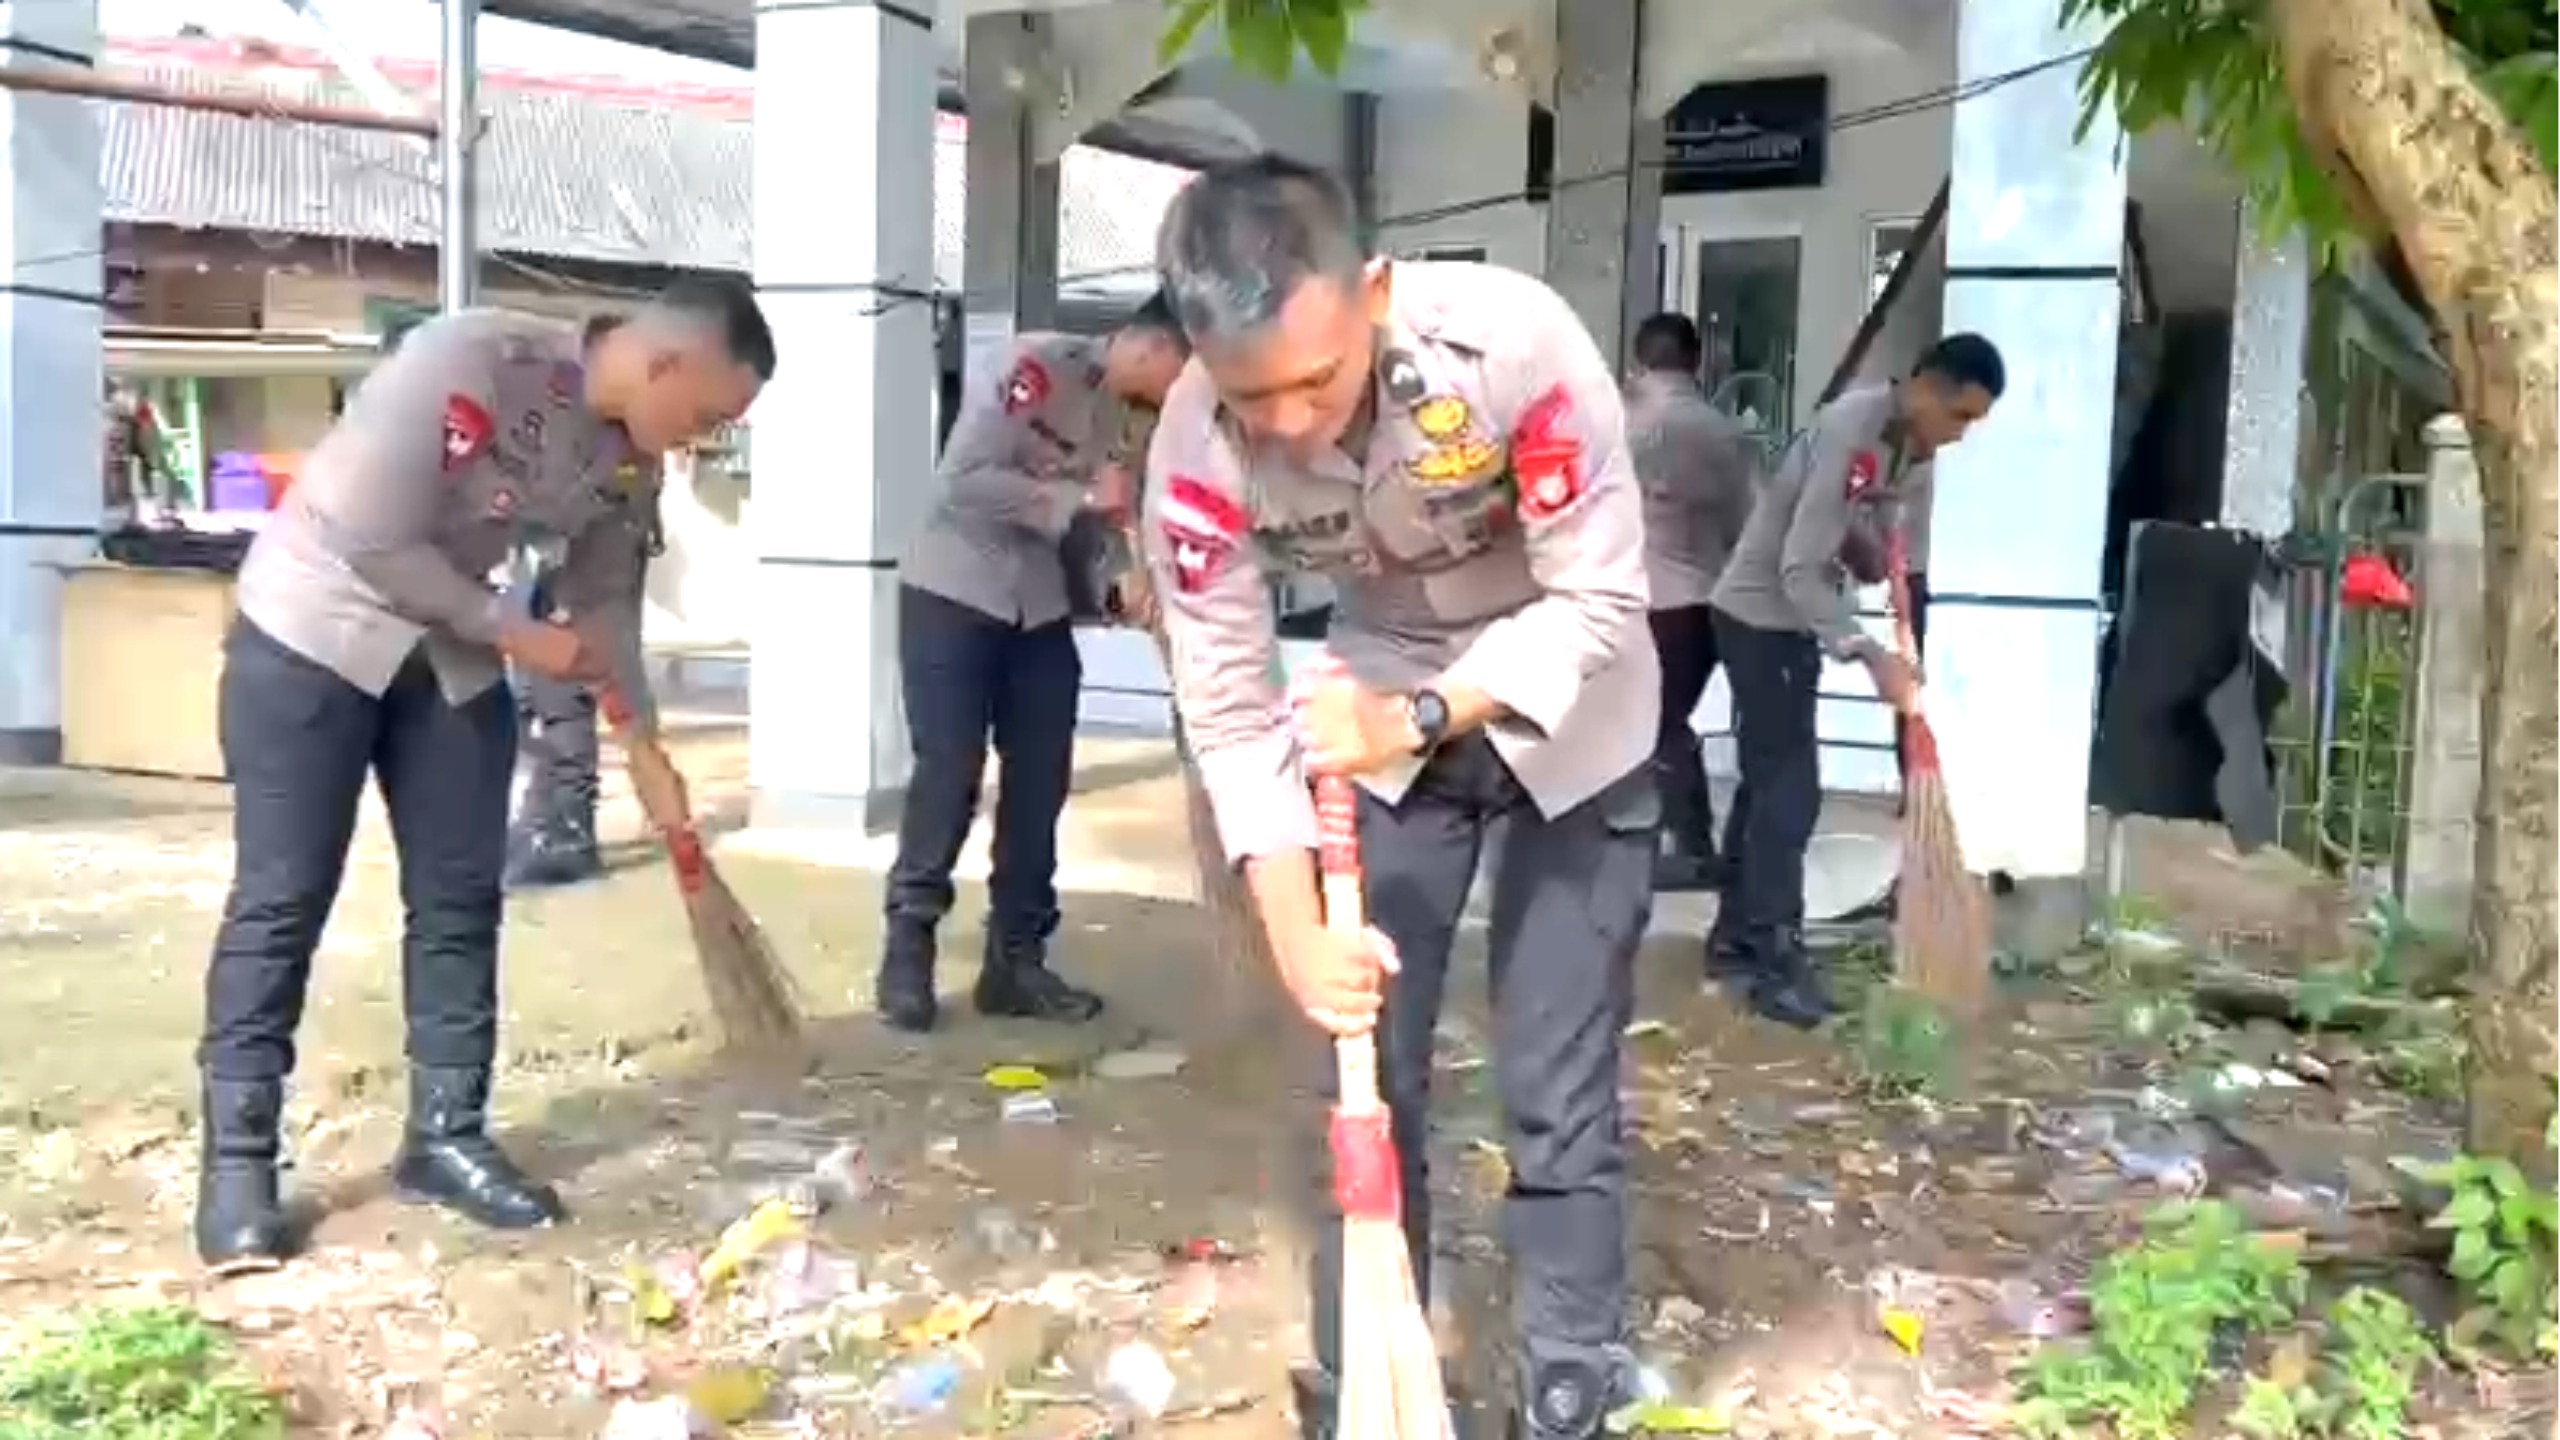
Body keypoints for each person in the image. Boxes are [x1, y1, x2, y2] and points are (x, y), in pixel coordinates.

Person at [1146, 154, 1656, 1440]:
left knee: (1557, 1076)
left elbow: (1598, 595)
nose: (1290, 426)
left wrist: (1419, 714)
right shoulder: (1195, 443)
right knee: (1361, 1070)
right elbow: (1224, 701)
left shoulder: (1514, 343)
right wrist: (1292, 929)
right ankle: (1367, 1379)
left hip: (1570, 713)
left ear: (1371, 291)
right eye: (1252, 396)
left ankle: (1570, 1372)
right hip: (1379, 716)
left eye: (1316, 381)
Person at [194, 280, 774, 1275]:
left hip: (447, 665)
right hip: (311, 636)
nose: (700, 440)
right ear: (662, 362)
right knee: (283, 899)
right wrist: (514, 632)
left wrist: (643, 745)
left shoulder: (629, 458)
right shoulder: (472, 359)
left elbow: (600, 601)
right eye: (708, 415)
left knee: (461, 898)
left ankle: (446, 1136)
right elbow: (368, 539)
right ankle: (238, 1174)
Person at [874, 293, 1192, 1033]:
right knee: (949, 773)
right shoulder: (1034, 365)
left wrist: (1118, 582)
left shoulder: (1139, 420)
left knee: (1041, 780)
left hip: (1039, 607)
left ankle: (1015, 960)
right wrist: (1081, 494)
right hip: (953, 591)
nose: (1185, 389)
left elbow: (1105, 528)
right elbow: (966, 483)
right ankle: (907, 951)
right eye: (1185, 367)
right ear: (1151, 346)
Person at [1704, 334, 2004, 1029]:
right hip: (1759, 615)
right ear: (1925, 386)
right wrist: (1869, 653)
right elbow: (1796, 568)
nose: (1958, 436)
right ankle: (1776, 962)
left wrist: (1871, 553)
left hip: (1792, 622)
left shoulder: (1912, 450)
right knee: (1791, 792)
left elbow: (1862, 551)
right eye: (1958, 416)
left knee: (1765, 787)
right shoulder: (1852, 425)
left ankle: (1734, 943)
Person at [503, 313, 657, 891]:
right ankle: (545, 822)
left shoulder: (619, 437)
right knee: (530, 708)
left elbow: (592, 519)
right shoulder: (582, 420)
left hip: (579, 589)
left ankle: (566, 832)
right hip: (551, 582)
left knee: (560, 708)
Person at [1624, 312, 1760, 891]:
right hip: (1707, 602)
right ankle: (1682, 840)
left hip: (1645, 600)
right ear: (1696, 361)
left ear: (1639, 360)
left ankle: (1690, 846)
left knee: (1653, 726)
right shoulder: (1726, 433)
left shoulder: (1621, 423)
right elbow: (1753, 522)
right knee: (1663, 722)